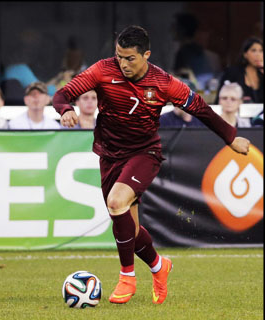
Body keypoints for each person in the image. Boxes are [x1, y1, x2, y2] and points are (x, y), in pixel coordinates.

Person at [53, 25, 250, 305]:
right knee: (128, 229)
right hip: (110, 155)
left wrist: (230, 138)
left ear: (146, 54)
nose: (122, 63)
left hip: (144, 153)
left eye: (130, 58)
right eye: (119, 56)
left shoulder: (165, 83)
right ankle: (159, 266)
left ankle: (127, 277)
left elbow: (202, 110)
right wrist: (66, 109)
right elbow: (61, 95)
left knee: (116, 202)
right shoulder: (102, 70)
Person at [214, 37, 263, 104]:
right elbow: (220, 99)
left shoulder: (261, 74)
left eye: (261, 51)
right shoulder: (233, 72)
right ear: (245, 54)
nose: (258, 55)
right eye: (253, 50)